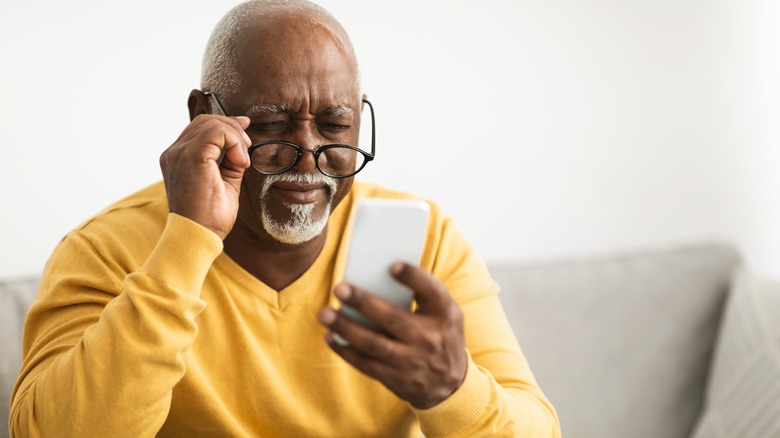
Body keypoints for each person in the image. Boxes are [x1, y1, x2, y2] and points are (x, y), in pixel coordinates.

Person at [10, 1, 560, 437]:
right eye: (272, 124)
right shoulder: (105, 249)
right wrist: (187, 241)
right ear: (205, 117)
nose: (308, 155)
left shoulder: (427, 238)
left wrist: (452, 387)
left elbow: (537, 428)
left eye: (334, 124)